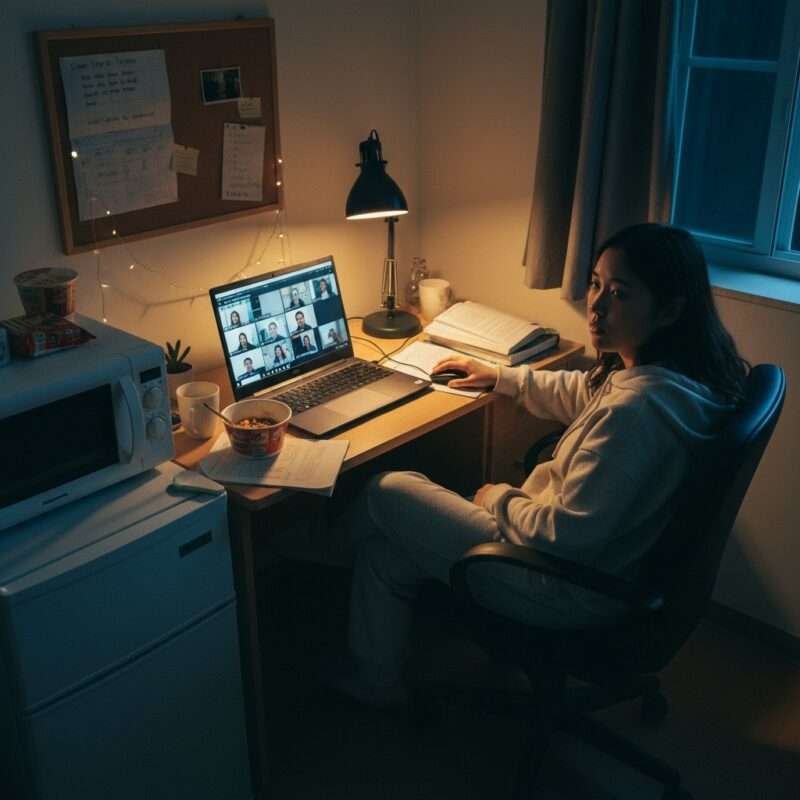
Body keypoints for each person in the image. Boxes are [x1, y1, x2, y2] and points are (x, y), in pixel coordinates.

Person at [333, 223, 749, 708]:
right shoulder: (679, 379)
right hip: (611, 569)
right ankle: (376, 682)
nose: (596, 305)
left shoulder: (636, 416)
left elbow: (560, 536)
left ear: (671, 309)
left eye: (619, 293)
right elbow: (587, 396)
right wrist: (502, 377)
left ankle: (315, 553)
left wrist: (496, 498)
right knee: (386, 553)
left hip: (558, 582)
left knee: (388, 488)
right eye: (595, 283)